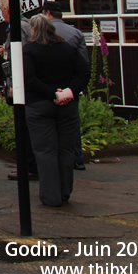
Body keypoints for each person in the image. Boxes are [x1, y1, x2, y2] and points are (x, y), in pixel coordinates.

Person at [22, 14, 90, 207]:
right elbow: (84, 73)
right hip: (67, 105)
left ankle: (51, 196)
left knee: (45, 151)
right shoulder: (68, 49)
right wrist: (69, 92)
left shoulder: (30, 51)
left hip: (39, 106)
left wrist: (52, 94)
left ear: (34, 30)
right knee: (66, 150)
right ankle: (64, 192)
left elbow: (29, 79)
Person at [42, 1, 89, 170]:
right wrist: (73, 88)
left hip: (48, 87)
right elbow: (84, 63)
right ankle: (76, 158)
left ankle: (53, 160)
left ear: (47, 13)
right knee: (71, 124)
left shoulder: (41, 34)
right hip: (70, 86)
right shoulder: (76, 33)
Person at [0, 0, 36, 181]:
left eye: (1, 9)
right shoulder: (26, 25)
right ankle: (29, 165)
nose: (1, 13)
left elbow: (20, 55)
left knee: (24, 126)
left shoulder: (18, 27)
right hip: (25, 83)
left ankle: (29, 166)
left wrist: (14, 85)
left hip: (21, 84)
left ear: (7, 9)